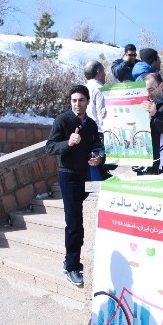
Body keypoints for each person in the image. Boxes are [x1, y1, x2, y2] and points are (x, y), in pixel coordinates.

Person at [45, 85, 105, 286]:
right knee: (74, 222)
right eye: (73, 100)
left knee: (92, 218)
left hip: (87, 176)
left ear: (87, 101)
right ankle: (71, 265)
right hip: (68, 176)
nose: (77, 104)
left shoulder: (91, 124)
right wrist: (68, 143)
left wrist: (98, 157)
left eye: (80, 100)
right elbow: (49, 147)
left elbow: (96, 145)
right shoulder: (62, 120)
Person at [83, 60, 108, 181]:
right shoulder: (100, 89)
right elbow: (101, 114)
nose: (105, 74)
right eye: (104, 71)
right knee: (99, 166)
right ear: (98, 72)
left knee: (91, 166)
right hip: (99, 134)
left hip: (85, 132)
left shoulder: (82, 89)